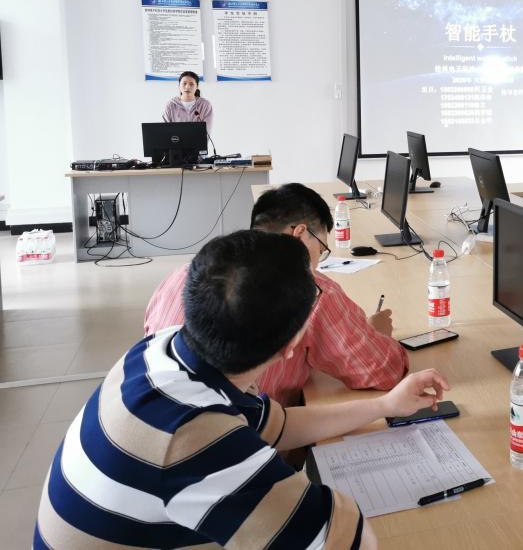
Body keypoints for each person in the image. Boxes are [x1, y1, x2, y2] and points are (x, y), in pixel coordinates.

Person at [34, 230, 450, 549]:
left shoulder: (163, 351)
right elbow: (344, 541)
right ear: (291, 346)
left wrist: (385, 404)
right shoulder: (194, 437)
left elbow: (280, 425)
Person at [145, 183, 409, 406]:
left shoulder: (182, 274)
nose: (319, 262)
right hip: (252, 438)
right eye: (322, 249)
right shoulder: (311, 292)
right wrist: (373, 334)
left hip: (162, 415)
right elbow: (384, 371)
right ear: (300, 234)